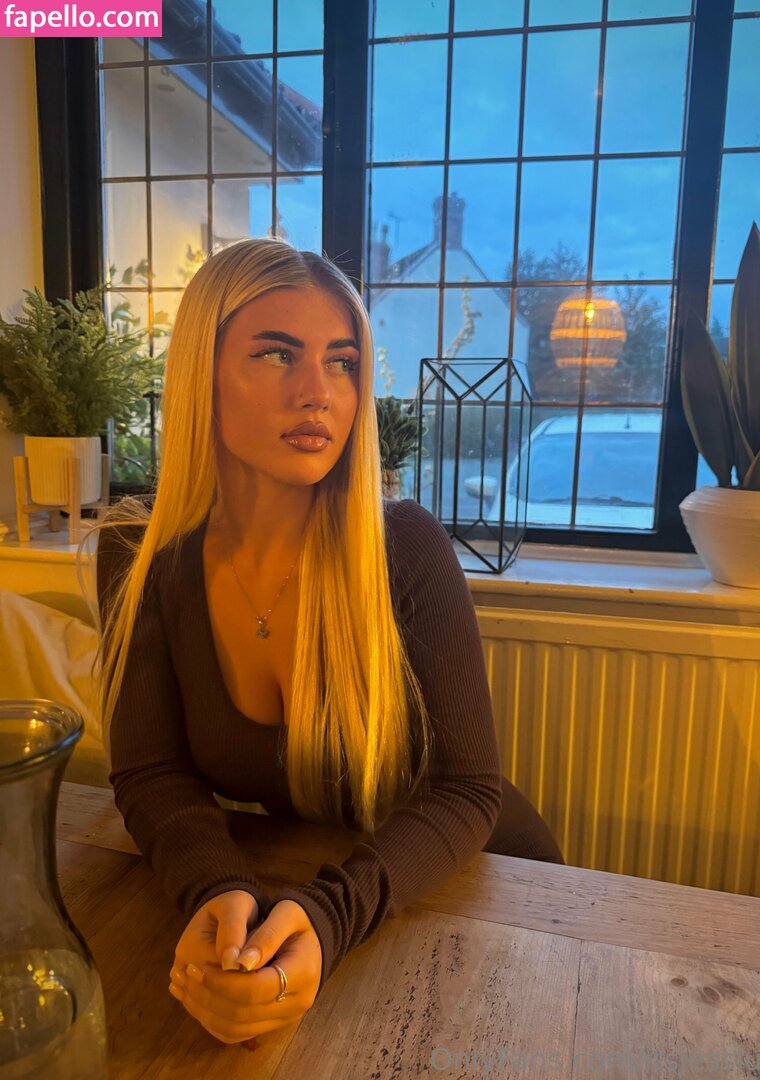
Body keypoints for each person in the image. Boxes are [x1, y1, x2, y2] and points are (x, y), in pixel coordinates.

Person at [81, 236, 564, 1047]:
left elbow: (467, 790)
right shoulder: (137, 553)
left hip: (472, 887)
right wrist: (214, 889)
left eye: (342, 363)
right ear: (201, 374)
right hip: (314, 883)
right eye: (277, 354)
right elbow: (152, 771)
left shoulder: (403, 547)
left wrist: (328, 915)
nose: (318, 393)